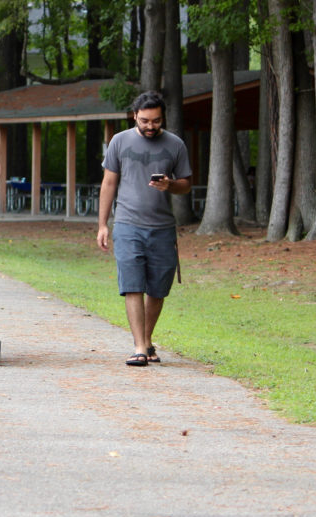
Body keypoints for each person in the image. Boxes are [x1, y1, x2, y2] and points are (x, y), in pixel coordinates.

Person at [96, 90, 192, 366]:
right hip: (127, 224)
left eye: (156, 121)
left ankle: (147, 341)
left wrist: (170, 185)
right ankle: (139, 346)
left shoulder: (175, 144)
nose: (151, 126)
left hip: (162, 228)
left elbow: (186, 184)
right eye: (145, 120)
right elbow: (109, 183)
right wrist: (103, 224)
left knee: (158, 289)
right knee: (132, 285)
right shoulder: (119, 141)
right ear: (135, 116)